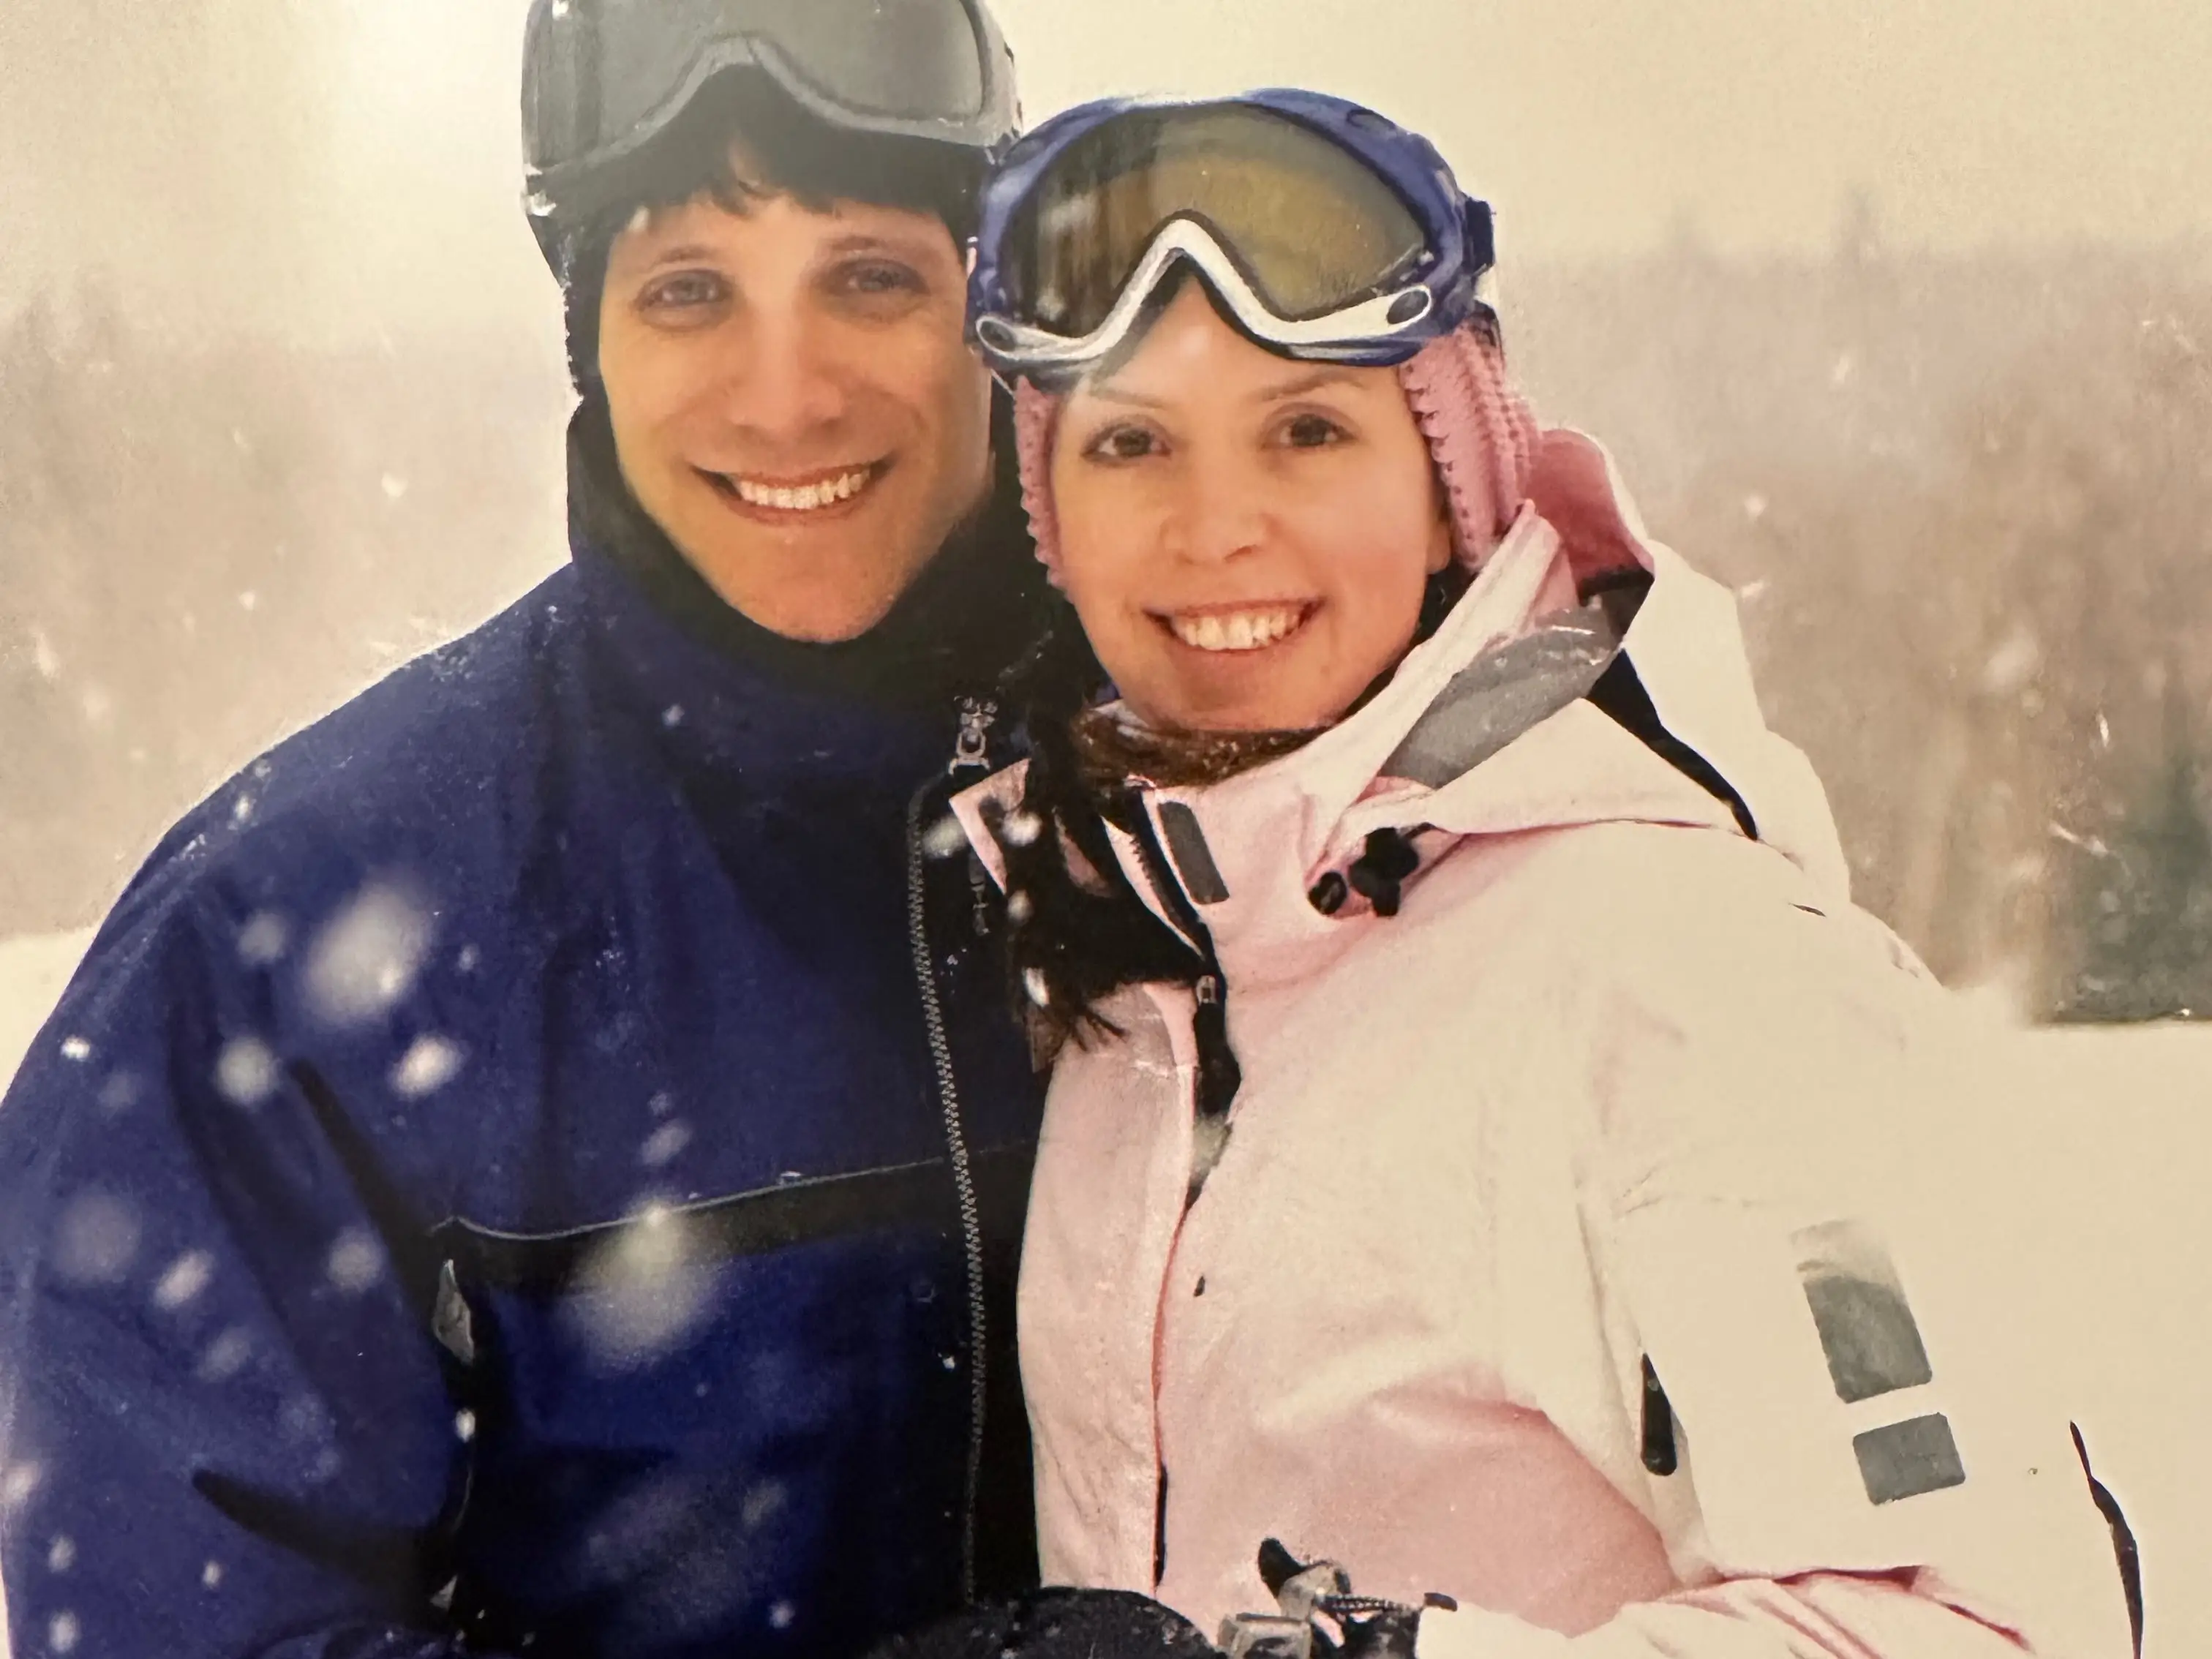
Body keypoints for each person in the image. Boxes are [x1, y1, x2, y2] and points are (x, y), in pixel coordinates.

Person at [934, 90, 2143, 1658]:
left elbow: (1987, 1628)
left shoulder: (1688, 979)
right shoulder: (1144, 968)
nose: (1215, 526)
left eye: (1307, 429)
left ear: (1453, 479)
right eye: (1131, 444)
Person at [0, 4, 1053, 1656]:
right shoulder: (282, 952)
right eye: (689, 289)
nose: (787, 399)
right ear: (592, 344)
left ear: (988, 316)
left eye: (871, 276)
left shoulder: (1243, 821)